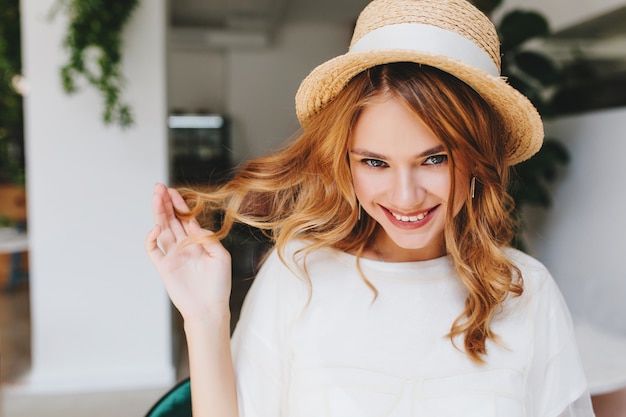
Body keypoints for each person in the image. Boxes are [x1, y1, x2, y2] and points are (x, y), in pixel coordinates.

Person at [145, 0, 596, 415]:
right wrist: (204, 317)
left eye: (434, 159)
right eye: (375, 162)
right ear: (346, 163)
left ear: (478, 158)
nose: (405, 196)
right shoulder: (298, 272)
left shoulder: (526, 290)